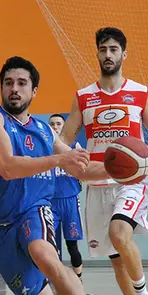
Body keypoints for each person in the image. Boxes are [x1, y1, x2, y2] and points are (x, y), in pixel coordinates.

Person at [0, 56, 117, 295]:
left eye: (22, 83)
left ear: (34, 91)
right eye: (8, 83)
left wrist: (121, 171)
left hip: (33, 209)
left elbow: (81, 169)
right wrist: (58, 160)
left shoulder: (43, 131)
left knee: (43, 252)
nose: (14, 89)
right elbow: (8, 167)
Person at [60, 27, 148, 295]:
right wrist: (68, 158)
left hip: (132, 182)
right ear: (97, 54)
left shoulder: (140, 94)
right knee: (116, 262)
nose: (108, 54)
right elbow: (64, 139)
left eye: (114, 49)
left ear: (124, 54)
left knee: (119, 233)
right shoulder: (84, 97)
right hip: (95, 186)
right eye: (103, 49)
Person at [48, 113, 85, 280]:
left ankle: (78, 279)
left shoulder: (75, 147)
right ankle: (51, 277)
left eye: (58, 124)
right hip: (49, 202)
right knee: (48, 244)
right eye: (52, 124)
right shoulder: (44, 147)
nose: (55, 126)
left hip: (70, 201)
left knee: (72, 245)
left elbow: (86, 169)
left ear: (64, 126)